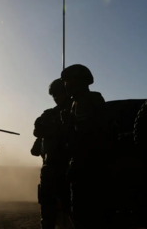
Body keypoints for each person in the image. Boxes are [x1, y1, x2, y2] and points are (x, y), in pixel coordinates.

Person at [61, 64, 112, 228]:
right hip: (80, 166)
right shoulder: (74, 105)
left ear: (79, 82)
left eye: (68, 81)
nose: (66, 86)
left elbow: (92, 135)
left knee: (89, 216)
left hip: (90, 168)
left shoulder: (92, 101)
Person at [31, 79, 73, 229]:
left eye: (59, 93)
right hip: (50, 170)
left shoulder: (77, 111)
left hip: (70, 168)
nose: (57, 97)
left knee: (72, 211)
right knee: (48, 212)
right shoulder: (49, 115)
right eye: (54, 94)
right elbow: (37, 135)